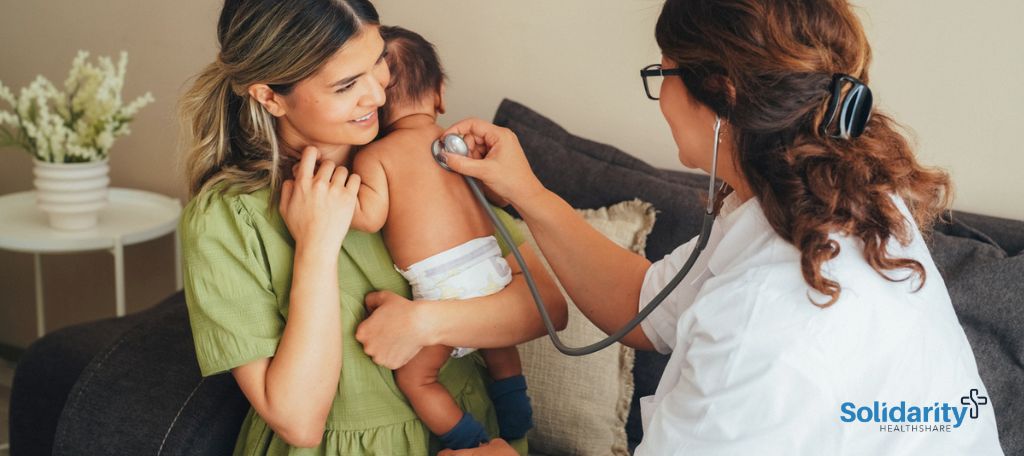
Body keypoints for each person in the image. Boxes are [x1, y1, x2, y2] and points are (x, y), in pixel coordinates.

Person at [358, 0, 1006, 454]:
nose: (662, 94)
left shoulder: (767, 324)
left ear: (720, 92)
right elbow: (644, 309)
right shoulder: (820, 200)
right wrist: (527, 191)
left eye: (662, 74)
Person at [177, 1, 565, 454]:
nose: (378, 97)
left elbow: (546, 307)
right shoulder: (225, 220)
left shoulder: (423, 153)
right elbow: (299, 422)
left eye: (376, 65)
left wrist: (422, 325)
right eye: (346, 85)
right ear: (269, 96)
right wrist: (316, 247)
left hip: (474, 437)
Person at [349, 25, 533, 450]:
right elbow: (496, 195)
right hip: (491, 272)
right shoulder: (458, 146)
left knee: (417, 378)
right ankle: (516, 411)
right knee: (499, 351)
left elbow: (369, 216)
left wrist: (340, 196)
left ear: (374, 105)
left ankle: (468, 442)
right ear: (440, 93)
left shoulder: (375, 155)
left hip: (443, 288)